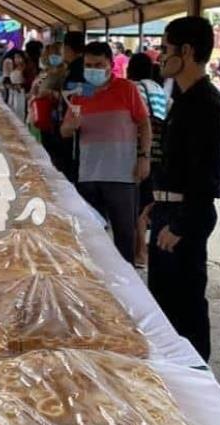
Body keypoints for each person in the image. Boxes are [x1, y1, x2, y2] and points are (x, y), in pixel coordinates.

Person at [149, 16, 220, 364]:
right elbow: (180, 167)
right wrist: (156, 202)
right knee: (165, 303)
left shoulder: (205, 105)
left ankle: (194, 373)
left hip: (185, 218)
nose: (160, 56)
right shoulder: (186, 99)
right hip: (171, 211)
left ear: (186, 50)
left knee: (183, 306)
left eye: (165, 49)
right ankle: (175, 372)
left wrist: (181, 224)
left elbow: (209, 178)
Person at [60, 42, 152, 265]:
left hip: (122, 174)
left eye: (99, 65)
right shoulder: (81, 93)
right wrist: (71, 127)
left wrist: (143, 157)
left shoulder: (126, 89)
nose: (93, 70)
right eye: (89, 65)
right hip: (88, 175)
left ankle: (127, 281)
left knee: (124, 235)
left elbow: (144, 124)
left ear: (111, 65)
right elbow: (64, 131)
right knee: (91, 234)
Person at [128, 53, 169, 269]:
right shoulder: (158, 88)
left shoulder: (133, 87)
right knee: (147, 204)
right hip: (159, 152)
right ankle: (143, 251)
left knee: (138, 207)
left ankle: (139, 253)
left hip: (141, 152)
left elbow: (137, 122)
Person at [33, 42, 68, 171]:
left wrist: (51, 93)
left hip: (55, 114)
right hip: (41, 112)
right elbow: (36, 86)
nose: (53, 58)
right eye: (51, 55)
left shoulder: (64, 73)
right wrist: (35, 91)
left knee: (54, 146)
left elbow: (66, 95)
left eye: (57, 55)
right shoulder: (45, 72)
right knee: (44, 141)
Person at [60, 31, 87, 184]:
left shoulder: (78, 67)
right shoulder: (72, 66)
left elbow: (84, 90)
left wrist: (60, 93)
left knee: (72, 163)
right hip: (70, 121)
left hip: (76, 125)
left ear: (68, 49)